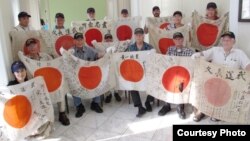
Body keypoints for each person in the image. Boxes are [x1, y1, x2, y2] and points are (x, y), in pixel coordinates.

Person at [192, 31, 250, 122]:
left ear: (233, 41)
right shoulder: (215, 50)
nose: (225, 42)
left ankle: (218, 113)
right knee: (200, 85)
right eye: (224, 40)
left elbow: (248, 66)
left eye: (228, 40)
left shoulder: (239, 53)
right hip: (214, 80)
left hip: (230, 83)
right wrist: (197, 55)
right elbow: (204, 54)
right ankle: (201, 111)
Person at [24, 38, 70, 126]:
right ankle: (45, 114)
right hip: (37, 84)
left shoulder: (45, 56)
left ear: (37, 46)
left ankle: (62, 113)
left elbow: (54, 65)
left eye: (34, 45)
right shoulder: (26, 60)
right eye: (29, 46)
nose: (32, 47)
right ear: (27, 48)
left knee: (60, 88)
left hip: (49, 80)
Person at [8, 61, 53, 139]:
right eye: (17, 71)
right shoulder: (11, 86)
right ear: (14, 73)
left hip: (32, 111)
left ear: (25, 70)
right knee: (30, 130)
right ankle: (32, 134)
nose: (20, 73)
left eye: (22, 70)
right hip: (21, 115)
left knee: (45, 121)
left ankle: (34, 133)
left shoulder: (31, 82)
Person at [158, 32, 194, 119]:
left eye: (180, 39)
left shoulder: (189, 51)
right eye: (176, 39)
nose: (178, 40)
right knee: (164, 80)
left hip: (183, 76)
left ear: (182, 39)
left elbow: (192, 65)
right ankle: (167, 105)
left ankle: (180, 106)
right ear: (173, 40)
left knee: (180, 82)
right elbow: (166, 61)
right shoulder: (170, 49)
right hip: (172, 74)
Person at [69, 32, 103, 117]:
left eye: (81, 39)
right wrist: (66, 54)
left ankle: (95, 103)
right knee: (72, 83)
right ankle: (79, 106)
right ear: (74, 41)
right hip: (77, 76)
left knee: (98, 80)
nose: (79, 42)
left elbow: (98, 55)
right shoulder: (71, 51)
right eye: (77, 40)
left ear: (84, 40)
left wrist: (107, 54)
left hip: (89, 75)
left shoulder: (89, 49)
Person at [126, 28, 155, 117]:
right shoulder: (130, 48)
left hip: (147, 71)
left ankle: (148, 101)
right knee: (130, 84)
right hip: (134, 72)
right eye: (137, 35)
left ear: (143, 36)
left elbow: (154, 61)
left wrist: (154, 54)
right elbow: (125, 60)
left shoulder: (149, 47)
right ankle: (139, 107)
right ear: (134, 36)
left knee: (154, 80)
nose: (139, 36)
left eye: (140, 35)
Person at [102, 33, 122, 103]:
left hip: (115, 66)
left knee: (116, 78)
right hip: (105, 67)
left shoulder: (116, 47)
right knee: (106, 79)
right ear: (104, 40)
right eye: (107, 38)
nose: (108, 39)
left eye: (110, 38)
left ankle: (116, 93)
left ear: (112, 39)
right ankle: (108, 95)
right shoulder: (102, 47)